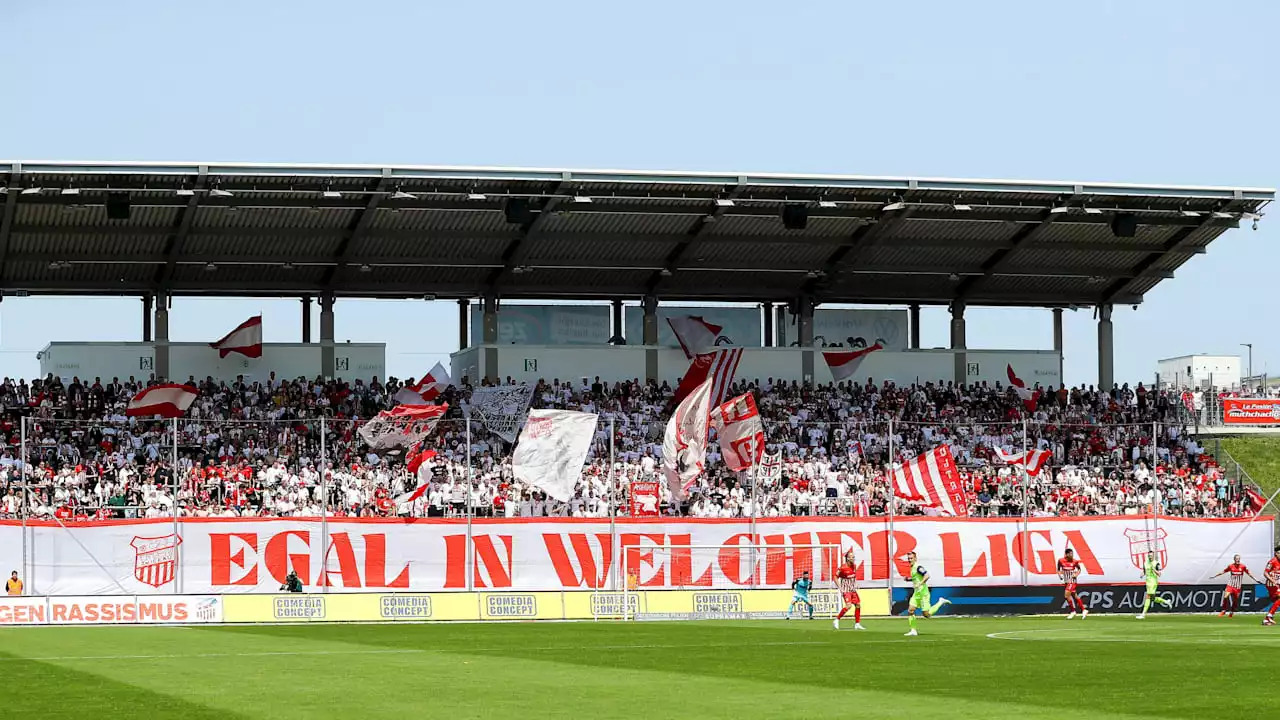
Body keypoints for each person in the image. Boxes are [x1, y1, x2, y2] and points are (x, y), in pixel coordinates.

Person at [902, 551, 949, 637]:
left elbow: (927, 575)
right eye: (908, 558)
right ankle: (913, 631)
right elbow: (916, 578)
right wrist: (908, 579)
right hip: (917, 594)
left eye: (911, 558)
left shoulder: (918, 567)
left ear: (915, 558)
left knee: (926, 614)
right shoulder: (912, 568)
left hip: (923, 593)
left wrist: (921, 583)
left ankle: (940, 602)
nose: (910, 560)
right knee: (910, 610)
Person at [833, 550, 865, 631]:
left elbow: (853, 576)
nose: (853, 558)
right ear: (847, 558)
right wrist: (840, 587)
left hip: (853, 589)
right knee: (849, 606)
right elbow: (835, 577)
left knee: (858, 605)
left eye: (854, 557)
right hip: (846, 590)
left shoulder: (854, 566)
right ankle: (837, 620)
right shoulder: (842, 568)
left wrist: (856, 584)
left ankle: (857, 624)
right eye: (852, 557)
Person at [1137, 551, 1171, 619]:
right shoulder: (1145, 563)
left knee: (1148, 596)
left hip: (1153, 582)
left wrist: (1154, 569)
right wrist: (1142, 574)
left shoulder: (1156, 563)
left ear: (1153, 556)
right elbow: (1144, 571)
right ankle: (1166, 601)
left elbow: (1159, 574)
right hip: (1147, 582)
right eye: (1149, 555)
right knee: (1152, 598)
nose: (1150, 557)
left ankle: (1143, 614)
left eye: (1151, 555)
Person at [1057, 548, 1088, 619]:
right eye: (1070, 554)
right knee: (1075, 596)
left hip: (1072, 581)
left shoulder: (1075, 561)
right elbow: (1058, 569)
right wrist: (1060, 575)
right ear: (1066, 554)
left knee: (1066, 595)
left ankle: (1073, 611)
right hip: (1066, 581)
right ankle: (1084, 610)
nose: (1072, 555)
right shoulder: (1061, 561)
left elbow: (1079, 569)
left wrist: (1076, 574)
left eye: (1072, 553)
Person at [1263, 546, 1280, 627]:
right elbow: (1265, 573)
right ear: (1276, 554)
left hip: (1277, 584)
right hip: (1271, 584)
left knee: (1277, 601)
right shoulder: (1272, 562)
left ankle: (1267, 619)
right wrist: (1272, 580)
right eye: (1279, 553)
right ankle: (1269, 615)